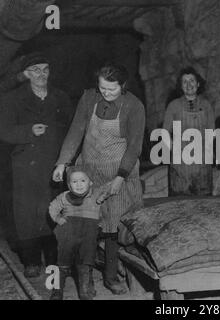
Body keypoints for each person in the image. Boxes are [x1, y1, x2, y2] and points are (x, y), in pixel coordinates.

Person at [52, 62, 145, 295]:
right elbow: (76, 130)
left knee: (112, 226)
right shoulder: (89, 98)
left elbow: (134, 147)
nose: (105, 93)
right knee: (85, 223)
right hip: (89, 169)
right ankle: (86, 279)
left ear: (123, 85)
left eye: (111, 89)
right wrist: (63, 162)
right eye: (102, 88)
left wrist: (120, 178)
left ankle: (111, 277)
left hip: (117, 170)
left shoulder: (134, 106)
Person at [0, 52, 73, 278]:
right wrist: (27, 131)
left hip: (55, 164)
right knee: (27, 215)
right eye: (35, 70)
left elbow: (72, 129)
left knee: (54, 210)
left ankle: (54, 259)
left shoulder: (61, 97)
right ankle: (31, 261)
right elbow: (4, 130)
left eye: (45, 69)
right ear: (27, 74)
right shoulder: (12, 99)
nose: (41, 74)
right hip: (25, 166)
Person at [49, 166, 111, 300]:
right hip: (67, 235)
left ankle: (85, 290)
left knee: (85, 263)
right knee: (62, 264)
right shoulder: (64, 197)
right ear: (69, 185)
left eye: (83, 181)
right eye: (74, 182)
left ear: (90, 183)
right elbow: (53, 207)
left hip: (88, 236)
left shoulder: (96, 195)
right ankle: (57, 291)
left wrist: (101, 223)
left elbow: (109, 190)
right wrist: (58, 219)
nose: (78, 185)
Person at [163, 67, 215, 196]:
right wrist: (175, 151)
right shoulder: (173, 105)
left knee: (204, 205)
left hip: (202, 165)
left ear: (198, 84)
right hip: (180, 167)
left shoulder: (206, 105)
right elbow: (165, 132)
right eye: (184, 82)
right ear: (181, 86)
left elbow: (211, 132)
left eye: (192, 80)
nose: (188, 85)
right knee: (180, 207)